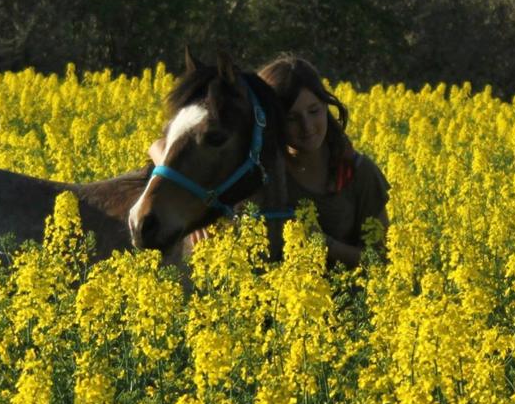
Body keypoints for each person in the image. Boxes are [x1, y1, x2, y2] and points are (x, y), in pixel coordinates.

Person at [149, 54, 390, 268]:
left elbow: (382, 260)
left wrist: (325, 246)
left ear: (327, 107)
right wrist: (201, 212)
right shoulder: (260, 170)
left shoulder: (357, 173)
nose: (307, 127)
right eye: (292, 118)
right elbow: (163, 148)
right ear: (271, 120)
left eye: (314, 111)